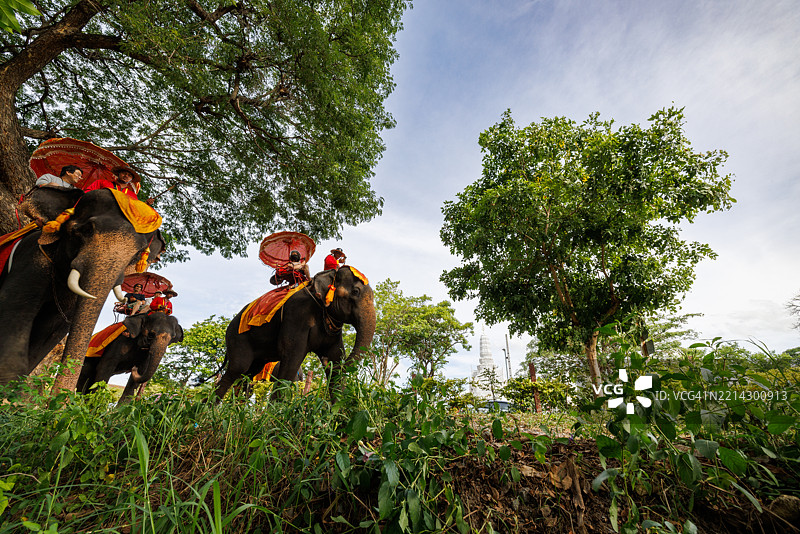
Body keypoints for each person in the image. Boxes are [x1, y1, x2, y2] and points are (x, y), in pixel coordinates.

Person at [84, 166, 154, 204]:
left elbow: (135, 209)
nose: (126, 176)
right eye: (124, 173)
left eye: (129, 175)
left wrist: (146, 203)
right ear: (118, 174)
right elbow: (87, 193)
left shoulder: (132, 195)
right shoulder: (102, 182)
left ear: (131, 180)